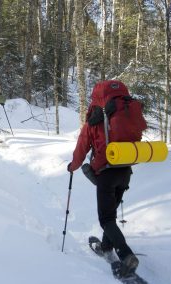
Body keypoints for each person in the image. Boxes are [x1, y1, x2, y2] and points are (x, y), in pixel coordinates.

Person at [67, 80, 139, 278]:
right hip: (125, 170)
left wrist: (72, 166)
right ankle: (107, 247)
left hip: (106, 174)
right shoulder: (124, 110)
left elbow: (82, 147)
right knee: (111, 213)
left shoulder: (94, 118)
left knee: (106, 218)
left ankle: (126, 255)